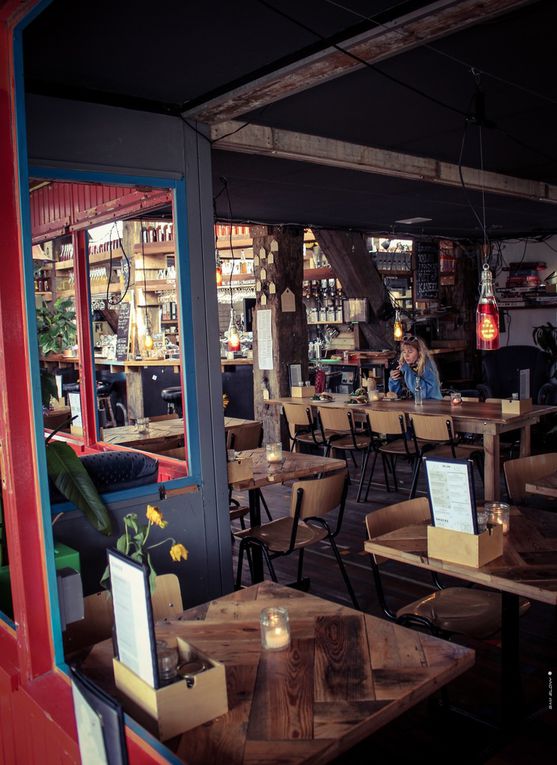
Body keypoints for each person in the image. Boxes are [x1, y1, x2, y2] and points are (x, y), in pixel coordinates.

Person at [389, 335, 442, 400]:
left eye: (410, 352)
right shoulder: (404, 365)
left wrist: (408, 372)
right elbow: (395, 394)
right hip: (411, 405)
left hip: (430, 404)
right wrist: (394, 380)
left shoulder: (426, 365)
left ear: (419, 352)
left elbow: (422, 393)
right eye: (404, 352)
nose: (406, 355)